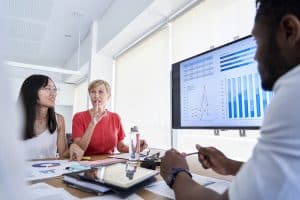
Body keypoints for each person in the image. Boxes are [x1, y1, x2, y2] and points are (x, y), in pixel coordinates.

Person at [160, 0, 300, 199]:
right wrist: (229, 166)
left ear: (290, 30)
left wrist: (176, 174)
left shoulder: (293, 96)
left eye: (258, 43)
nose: (256, 57)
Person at [72, 79, 148, 155]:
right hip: (86, 163)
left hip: (108, 163)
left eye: (100, 92)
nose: (96, 95)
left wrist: (135, 147)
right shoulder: (79, 117)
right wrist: (92, 124)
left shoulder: (115, 117)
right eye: (93, 92)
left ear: (108, 96)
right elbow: (78, 149)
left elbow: (121, 147)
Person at [19, 74, 84, 160]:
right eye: (47, 88)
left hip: (50, 171)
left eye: (54, 89)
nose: (53, 93)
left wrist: (73, 146)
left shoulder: (59, 120)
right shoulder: (14, 120)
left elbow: (63, 154)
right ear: (32, 91)